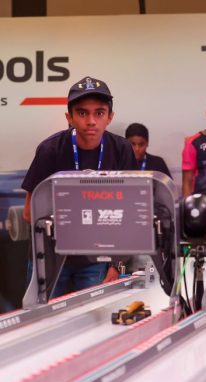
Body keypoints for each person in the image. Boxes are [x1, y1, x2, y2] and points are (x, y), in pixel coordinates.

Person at [21, 76, 137, 296]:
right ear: (70, 117)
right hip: (50, 256)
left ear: (110, 117)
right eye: (82, 113)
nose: (91, 121)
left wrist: (115, 264)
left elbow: (130, 212)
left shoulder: (121, 150)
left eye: (99, 113)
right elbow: (29, 213)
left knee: (93, 321)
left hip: (96, 258)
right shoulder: (50, 150)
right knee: (40, 322)